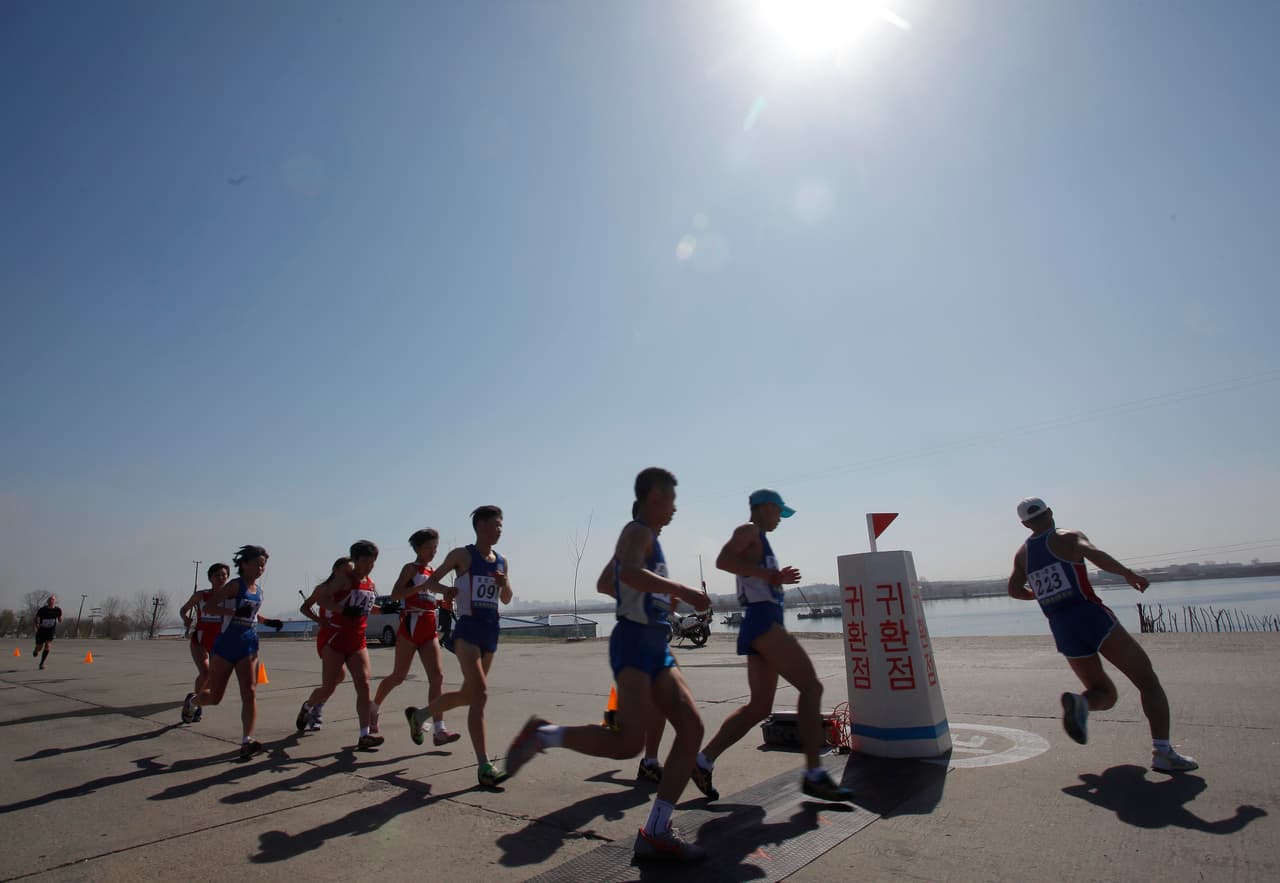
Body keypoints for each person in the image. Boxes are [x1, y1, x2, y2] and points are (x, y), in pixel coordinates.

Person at [504, 468, 711, 863]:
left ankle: (656, 829)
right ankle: (543, 735)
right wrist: (678, 590)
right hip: (634, 642)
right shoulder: (638, 531)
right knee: (627, 744)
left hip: (654, 641)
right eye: (670, 499)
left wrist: (649, 595)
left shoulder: (644, 540)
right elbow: (629, 574)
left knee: (691, 727)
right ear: (653, 497)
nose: (675, 508)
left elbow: (607, 581)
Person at [1007, 497, 1198, 772]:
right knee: (1147, 681)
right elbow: (1094, 554)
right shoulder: (1068, 537)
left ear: (1024, 524)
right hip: (1092, 617)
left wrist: (1037, 593)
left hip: (1061, 627)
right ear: (1049, 512)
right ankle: (1162, 753)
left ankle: (1082, 702)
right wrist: (1128, 574)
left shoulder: (1022, 555)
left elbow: (1013, 589)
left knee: (1104, 694)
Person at [691, 489, 854, 802]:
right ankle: (814, 774)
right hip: (763, 622)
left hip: (759, 623)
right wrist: (771, 575)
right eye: (779, 512)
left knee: (759, 707)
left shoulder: (760, 538)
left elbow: (749, 571)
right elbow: (723, 560)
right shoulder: (749, 530)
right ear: (764, 508)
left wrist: (772, 578)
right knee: (811, 689)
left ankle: (702, 761)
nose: (780, 518)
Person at [405, 505, 512, 787]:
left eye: (501, 525)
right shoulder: (462, 555)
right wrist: (447, 592)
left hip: (492, 631)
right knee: (480, 694)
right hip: (467, 631)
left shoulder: (501, 560)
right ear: (480, 527)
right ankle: (484, 765)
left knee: (469, 694)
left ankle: (420, 715)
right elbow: (432, 581)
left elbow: (508, 598)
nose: (499, 529)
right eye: (494, 524)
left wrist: (504, 584)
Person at [181, 545, 284, 759]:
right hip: (227, 644)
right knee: (215, 697)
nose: (261, 569)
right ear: (245, 564)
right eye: (257, 564)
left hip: (249, 644)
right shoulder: (234, 586)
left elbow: (252, 615)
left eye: (264, 565)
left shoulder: (259, 591)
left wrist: (268, 622)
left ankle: (247, 741)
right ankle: (192, 702)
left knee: (250, 692)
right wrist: (232, 610)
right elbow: (209, 607)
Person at [370, 529, 459, 744]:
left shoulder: (432, 571)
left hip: (429, 626)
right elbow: (396, 594)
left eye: (435, 548)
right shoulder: (411, 568)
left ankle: (440, 729)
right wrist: (421, 587)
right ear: (418, 548)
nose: (433, 552)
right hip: (410, 626)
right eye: (429, 547)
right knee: (398, 676)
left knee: (437, 677)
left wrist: (449, 592)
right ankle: (373, 709)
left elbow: (435, 589)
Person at [296, 541, 383, 749]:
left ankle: (364, 735)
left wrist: (394, 608)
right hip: (335, 639)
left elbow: (367, 607)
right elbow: (322, 601)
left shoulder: (370, 583)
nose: (369, 565)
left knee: (364, 685)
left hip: (358, 640)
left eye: (372, 561)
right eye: (364, 561)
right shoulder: (344, 579)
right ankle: (308, 707)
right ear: (356, 560)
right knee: (328, 686)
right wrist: (341, 611)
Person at [297, 557, 352, 731]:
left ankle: (315, 704)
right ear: (335, 570)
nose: (348, 574)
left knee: (339, 677)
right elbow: (305, 608)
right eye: (345, 570)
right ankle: (312, 708)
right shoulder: (322, 589)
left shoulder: (350, 589)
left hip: (345, 635)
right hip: (328, 636)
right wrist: (319, 620)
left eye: (351, 571)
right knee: (331, 679)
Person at [178, 563, 232, 719]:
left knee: (211, 678)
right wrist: (185, 617)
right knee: (205, 672)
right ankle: (194, 703)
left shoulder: (231, 597)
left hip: (220, 642)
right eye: (217, 575)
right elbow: (184, 609)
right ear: (210, 578)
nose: (221, 578)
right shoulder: (201, 595)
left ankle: (195, 701)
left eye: (224, 575)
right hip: (200, 640)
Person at [33, 596, 63, 670]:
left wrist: (60, 618)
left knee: (48, 646)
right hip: (42, 630)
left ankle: (42, 663)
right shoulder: (42, 610)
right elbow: (36, 619)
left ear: (54, 601)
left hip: (50, 631)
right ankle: (36, 650)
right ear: (47, 601)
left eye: (52, 599)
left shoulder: (58, 610)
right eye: (49, 599)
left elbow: (60, 620)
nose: (51, 601)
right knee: (39, 647)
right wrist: (36, 626)